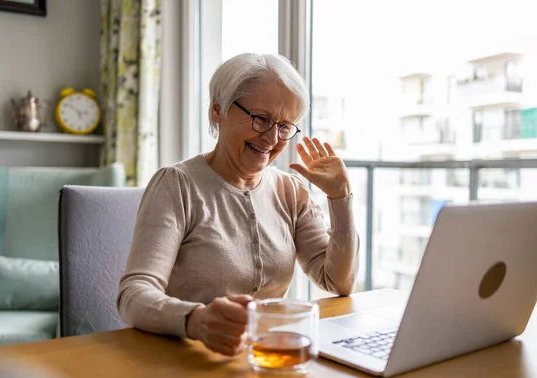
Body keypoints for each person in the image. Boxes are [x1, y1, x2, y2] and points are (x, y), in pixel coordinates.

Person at [117, 53, 359, 357]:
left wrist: (341, 199)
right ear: (218, 109)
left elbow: (338, 281)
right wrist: (196, 320)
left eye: (285, 126)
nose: (272, 138)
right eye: (262, 119)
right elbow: (133, 295)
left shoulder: (291, 190)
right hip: (184, 359)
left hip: (262, 357)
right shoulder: (177, 184)